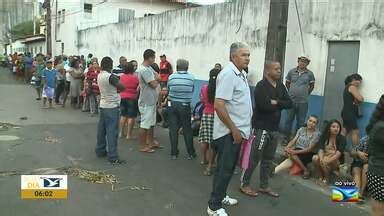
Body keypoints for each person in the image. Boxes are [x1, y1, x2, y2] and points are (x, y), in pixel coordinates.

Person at [207, 42, 252, 216]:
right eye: (243, 55)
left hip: (237, 131)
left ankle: (221, 195)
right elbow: (219, 105)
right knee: (225, 169)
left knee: (226, 169)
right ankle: (214, 206)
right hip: (228, 133)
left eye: (248, 55)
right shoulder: (228, 74)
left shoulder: (240, 74)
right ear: (233, 57)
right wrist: (233, 129)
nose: (247, 58)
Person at [239, 61, 292, 198]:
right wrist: (279, 104)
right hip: (261, 128)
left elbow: (289, 103)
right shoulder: (261, 86)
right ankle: (244, 184)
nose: (279, 71)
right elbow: (263, 106)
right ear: (268, 71)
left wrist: (276, 102)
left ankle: (264, 186)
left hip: (274, 129)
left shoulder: (281, 86)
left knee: (268, 159)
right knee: (254, 157)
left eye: (280, 68)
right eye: (276, 69)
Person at [95, 56, 126, 165]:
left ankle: (100, 150)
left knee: (102, 130)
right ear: (110, 65)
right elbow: (122, 87)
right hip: (112, 106)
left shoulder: (99, 75)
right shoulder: (111, 77)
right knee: (112, 132)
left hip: (103, 104)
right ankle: (113, 156)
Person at [167, 59, 196, 160]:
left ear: (177, 67)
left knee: (173, 129)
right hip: (185, 105)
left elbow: (168, 89)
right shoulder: (191, 78)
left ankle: (174, 153)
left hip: (172, 105)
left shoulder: (171, 77)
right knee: (187, 129)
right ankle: (191, 153)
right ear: (187, 67)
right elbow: (192, 90)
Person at [284, 56, 315, 139]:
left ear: (307, 63)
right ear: (298, 61)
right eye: (301, 61)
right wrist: (291, 92)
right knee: (288, 121)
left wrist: (305, 93)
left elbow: (312, 86)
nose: (302, 63)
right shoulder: (291, 72)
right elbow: (287, 83)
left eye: (305, 62)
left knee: (300, 122)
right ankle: (286, 138)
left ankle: (296, 139)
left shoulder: (310, 74)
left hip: (303, 102)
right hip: (291, 101)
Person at [137, 49, 162, 153]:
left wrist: (157, 79)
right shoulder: (144, 70)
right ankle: (143, 145)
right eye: (154, 57)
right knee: (145, 124)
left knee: (151, 123)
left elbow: (158, 77)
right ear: (150, 58)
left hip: (152, 100)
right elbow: (154, 84)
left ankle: (150, 141)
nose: (154, 60)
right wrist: (157, 79)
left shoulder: (149, 68)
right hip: (146, 101)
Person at [199, 68, 220, 176]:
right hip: (217, 115)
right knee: (213, 142)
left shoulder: (204, 88)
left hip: (206, 114)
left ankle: (203, 159)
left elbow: (201, 100)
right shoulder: (220, 89)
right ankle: (210, 164)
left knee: (204, 139)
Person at [366, 95, 384, 216]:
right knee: (378, 211)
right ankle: (349, 195)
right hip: (380, 174)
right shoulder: (381, 127)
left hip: (376, 170)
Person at [312, 119, 346, 184]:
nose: (336, 129)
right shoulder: (324, 136)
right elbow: (320, 149)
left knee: (325, 160)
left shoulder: (342, 139)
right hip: (325, 156)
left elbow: (338, 154)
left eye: (338, 127)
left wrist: (327, 161)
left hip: (336, 160)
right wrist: (321, 159)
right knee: (315, 158)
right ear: (329, 128)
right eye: (333, 127)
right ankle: (320, 175)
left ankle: (327, 177)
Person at [341, 74, 364, 148]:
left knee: (344, 132)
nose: (359, 84)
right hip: (349, 113)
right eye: (358, 82)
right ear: (353, 80)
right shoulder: (352, 87)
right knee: (355, 132)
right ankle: (356, 151)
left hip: (346, 112)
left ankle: (338, 148)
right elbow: (361, 99)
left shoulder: (347, 87)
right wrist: (360, 98)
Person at [119, 62, 139, 139]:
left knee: (123, 115)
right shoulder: (135, 77)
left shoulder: (122, 77)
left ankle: (121, 133)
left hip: (123, 97)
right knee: (131, 116)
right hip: (132, 97)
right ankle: (129, 135)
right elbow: (138, 87)